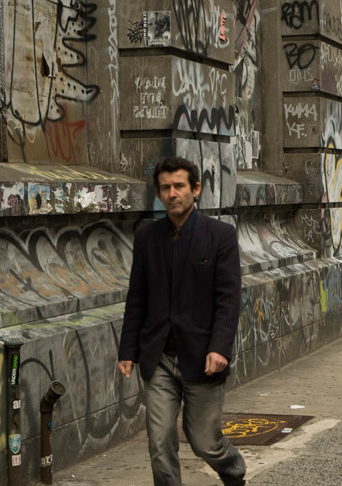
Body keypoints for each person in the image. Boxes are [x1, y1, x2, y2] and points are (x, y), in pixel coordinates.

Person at [118, 157, 246, 486]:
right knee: (159, 443)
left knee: (205, 443)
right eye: (166, 188)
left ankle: (234, 472)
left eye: (179, 186)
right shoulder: (147, 238)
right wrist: (127, 349)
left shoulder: (221, 236)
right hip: (158, 357)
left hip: (203, 358)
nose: (173, 193)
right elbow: (137, 298)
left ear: (196, 190)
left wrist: (220, 348)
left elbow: (228, 299)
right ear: (159, 195)